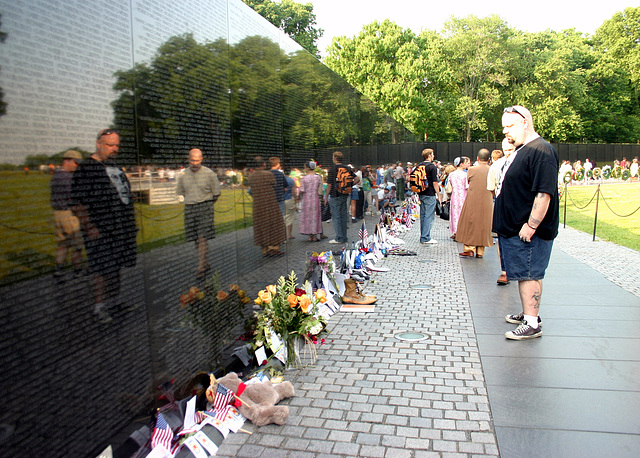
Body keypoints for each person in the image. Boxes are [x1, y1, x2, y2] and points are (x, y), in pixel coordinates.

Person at [495, 105, 559, 340]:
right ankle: (529, 313)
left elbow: (544, 192)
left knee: (530, 274)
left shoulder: (542, 151)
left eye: (509, 126)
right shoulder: (524, 150)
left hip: (529, 231)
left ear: (525, 122)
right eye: (503, 128)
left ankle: (532, 323)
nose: (506, 132)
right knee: (525, 273)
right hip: (516, 227)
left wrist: (531, 225)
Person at [72, 129, 137, 323]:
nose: (114, 149)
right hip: (100, 228)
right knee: (102, 268)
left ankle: (114, 301)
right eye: (110, 145)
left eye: (117, 145)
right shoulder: (87, 168)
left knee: (115, 266)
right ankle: (99, 306)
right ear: (99, 144)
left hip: (120, 228)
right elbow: (77, 202)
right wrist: (89, 226)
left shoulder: (114, 165)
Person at [176, 148, 221, 278]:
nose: (194, 163)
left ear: (201, 159)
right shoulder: (183, 174)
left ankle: (200, 266)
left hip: (205, 206)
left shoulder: (209, 173)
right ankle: (204, 261)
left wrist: (207, 204)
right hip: (190, 207)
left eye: (197, 160)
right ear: (188, 159)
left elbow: (216, 192)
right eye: (192, 160)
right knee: (195, 237)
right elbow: (181, 192)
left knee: (202, 236)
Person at [51, 150, 84, 281]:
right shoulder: (68, 178)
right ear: (67, 160)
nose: (76, 166)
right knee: (77, 246)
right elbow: (73, 200)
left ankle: (59, 270)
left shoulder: (56, 175)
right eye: (75, 163)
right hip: (69, 214)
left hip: (57, 213)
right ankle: (78, 272)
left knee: (62, 244)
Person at [456, 149, 494, 258]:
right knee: (484, 223)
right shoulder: (492, 170)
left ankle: (469, 248)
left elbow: (468, 181)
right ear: (489, 159)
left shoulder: (472, 169)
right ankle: (480, 251)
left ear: (477, 158)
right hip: (487, 199)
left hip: (473, 198)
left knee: (470, 222)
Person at [487, 140, 515, 285]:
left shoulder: (522, 161)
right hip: (503, 203)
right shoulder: (498, 166)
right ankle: (505, 270)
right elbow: (491, 187)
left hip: (515, 203)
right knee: (502, 239)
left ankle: (509, 270)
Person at [249, 156, 286, 256]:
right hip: (270, 202)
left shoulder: (251, 176)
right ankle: (273, 247)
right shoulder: (268, 174)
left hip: (258, 204)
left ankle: (264, 248)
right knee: (273, 223)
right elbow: (274, 184)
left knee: (261, 224)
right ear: (264, 164)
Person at [325, 151, 354, 244]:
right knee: (343, 216)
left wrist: (326, 197)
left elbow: (329, 185)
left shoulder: (332, 169)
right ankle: (344, 237)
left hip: (335, 195)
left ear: (334, 158)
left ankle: (339, 238)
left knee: (336, 217)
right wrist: (349, 185)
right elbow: (356, 178)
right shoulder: (347, 168)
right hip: (344, 194)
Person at [416, 148, 440, 245]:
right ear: (429, 155)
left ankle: (423, 235)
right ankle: (426, 237)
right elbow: (435, 182)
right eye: (432, 154)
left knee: (423, 215)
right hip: (430, 193)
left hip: (421, 193)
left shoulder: (419, 166)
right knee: (429, 216)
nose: (433, 156)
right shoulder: (432, 167)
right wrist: (439, 194)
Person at [298, 161, 323, 242]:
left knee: (307, 216)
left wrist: (297, 197)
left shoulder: (304, 178)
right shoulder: (318, 177)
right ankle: (315, 235)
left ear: (308, 168)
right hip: (315, 198)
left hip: (306, 199)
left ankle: (309, 235)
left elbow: (301, 190)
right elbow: (321, 189)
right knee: (315, 216)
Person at [448, 156, 470, 238]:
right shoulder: (465, 175)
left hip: (454, 195)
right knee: (462, 213)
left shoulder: (451, 174)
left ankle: (455, 231)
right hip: (463, 194)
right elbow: (467, 186)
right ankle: (462, 232)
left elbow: (448, 187)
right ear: (461, 164)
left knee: (454, 214)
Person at [283, 168, 297, 240]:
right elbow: (293, 192)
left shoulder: (280, 180)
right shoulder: (291, 180)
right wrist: (296, 199)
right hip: (289, 199)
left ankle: (283, 235)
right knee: (290, 218)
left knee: (282, 217)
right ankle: (289, 235)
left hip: (281, 200)